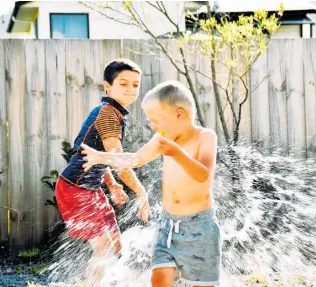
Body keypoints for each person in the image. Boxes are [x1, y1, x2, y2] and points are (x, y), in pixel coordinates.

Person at [81, 80, 221, 287]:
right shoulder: (161, 139)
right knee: (159, 278)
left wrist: (176, 152)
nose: (153, 127)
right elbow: (136, 159)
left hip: (199, 227)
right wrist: (100, 157)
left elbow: (203, 176)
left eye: (156, 121)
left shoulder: (205, 137)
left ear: (179, 115)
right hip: (168, 224)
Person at [55, 59, 150, 286]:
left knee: (115, 245)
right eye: (124, 84)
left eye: (136, 85)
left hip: (90, 188)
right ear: (107, 87)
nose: (130, 89)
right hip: (75, 189)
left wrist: (113, 185)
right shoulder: (108, 115)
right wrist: (140, 191)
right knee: (104, 247)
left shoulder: (110, 112)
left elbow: (94, 156)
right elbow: (118, 161)